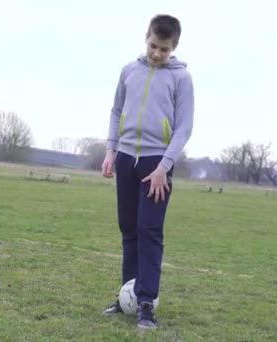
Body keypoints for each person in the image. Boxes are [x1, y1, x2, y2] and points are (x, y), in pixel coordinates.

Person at [101, 14, 194, 330]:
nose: (157, 53)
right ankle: (128, 296)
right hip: (126, 158)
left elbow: (184, 128)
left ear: (174, 47)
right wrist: (111, 150)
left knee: (149, 231)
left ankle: (146, 305)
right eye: (154, 46)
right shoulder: (129, 71)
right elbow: (116, 111)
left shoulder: (181, 79)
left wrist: (163, 167)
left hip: (157, 164)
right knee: (128, 229)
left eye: (164, 49)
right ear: (147, 38)